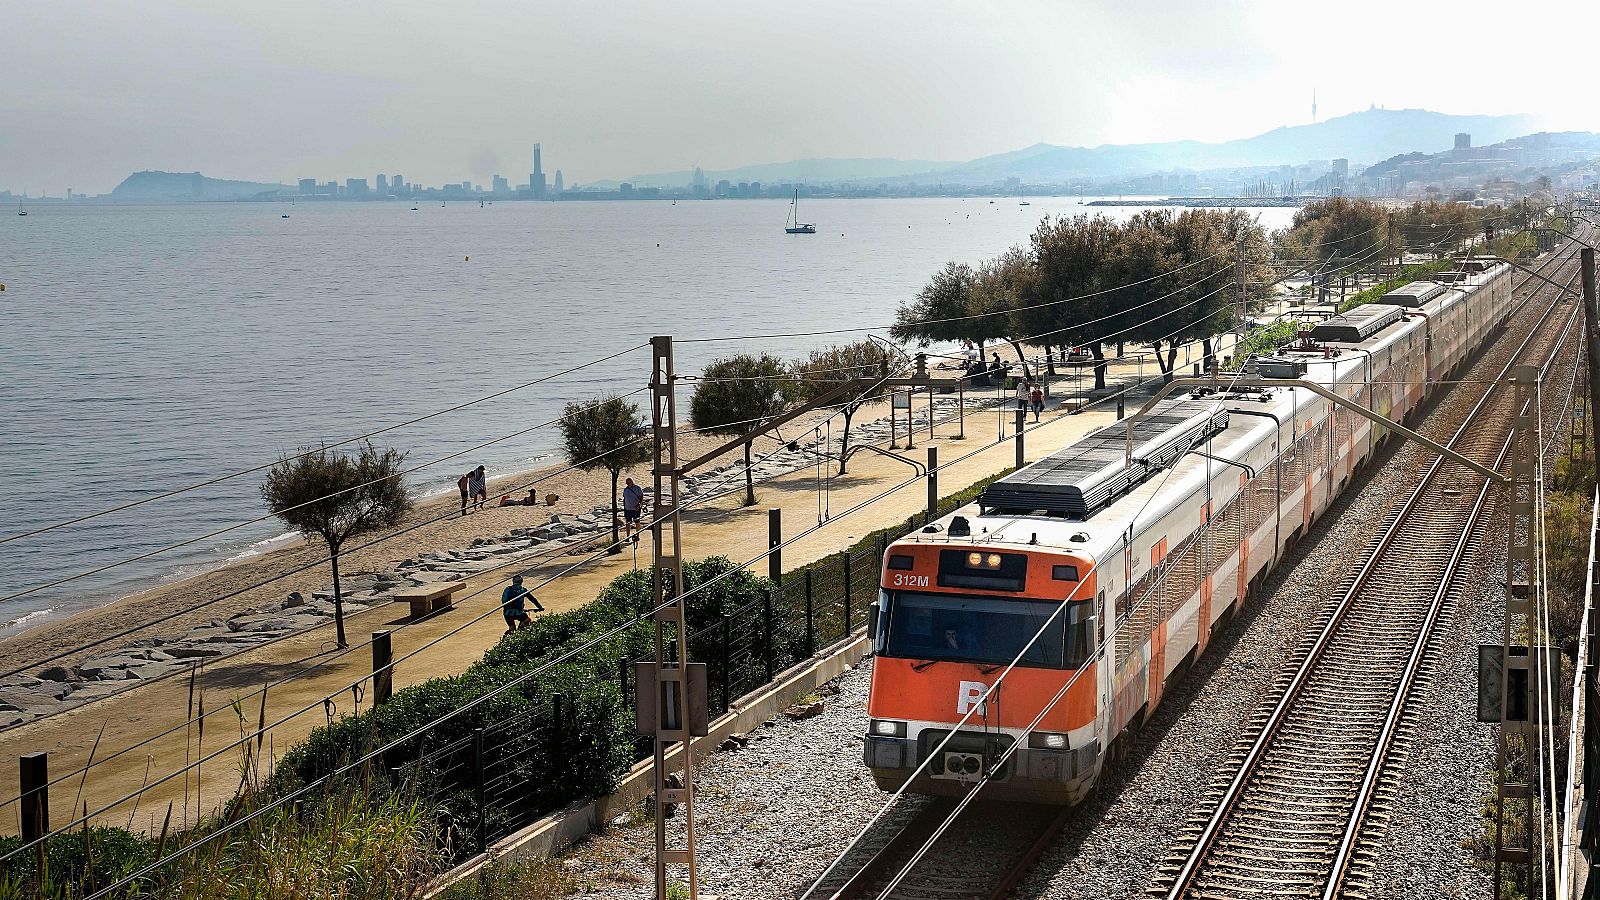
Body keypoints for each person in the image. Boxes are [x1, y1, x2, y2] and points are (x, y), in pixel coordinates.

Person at [622, 476, 645, 544]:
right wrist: (624, 507)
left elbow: (641, 496)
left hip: (635, 509)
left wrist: (639, 504)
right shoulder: (625, 489)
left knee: (637, 522)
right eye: (627, 483)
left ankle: (637, 535)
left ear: (632, 482)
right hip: (627, 509)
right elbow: (624, 498)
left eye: (629, 483)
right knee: (628, 522)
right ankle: (628, 537)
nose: (628, 484)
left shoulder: (637, 488)